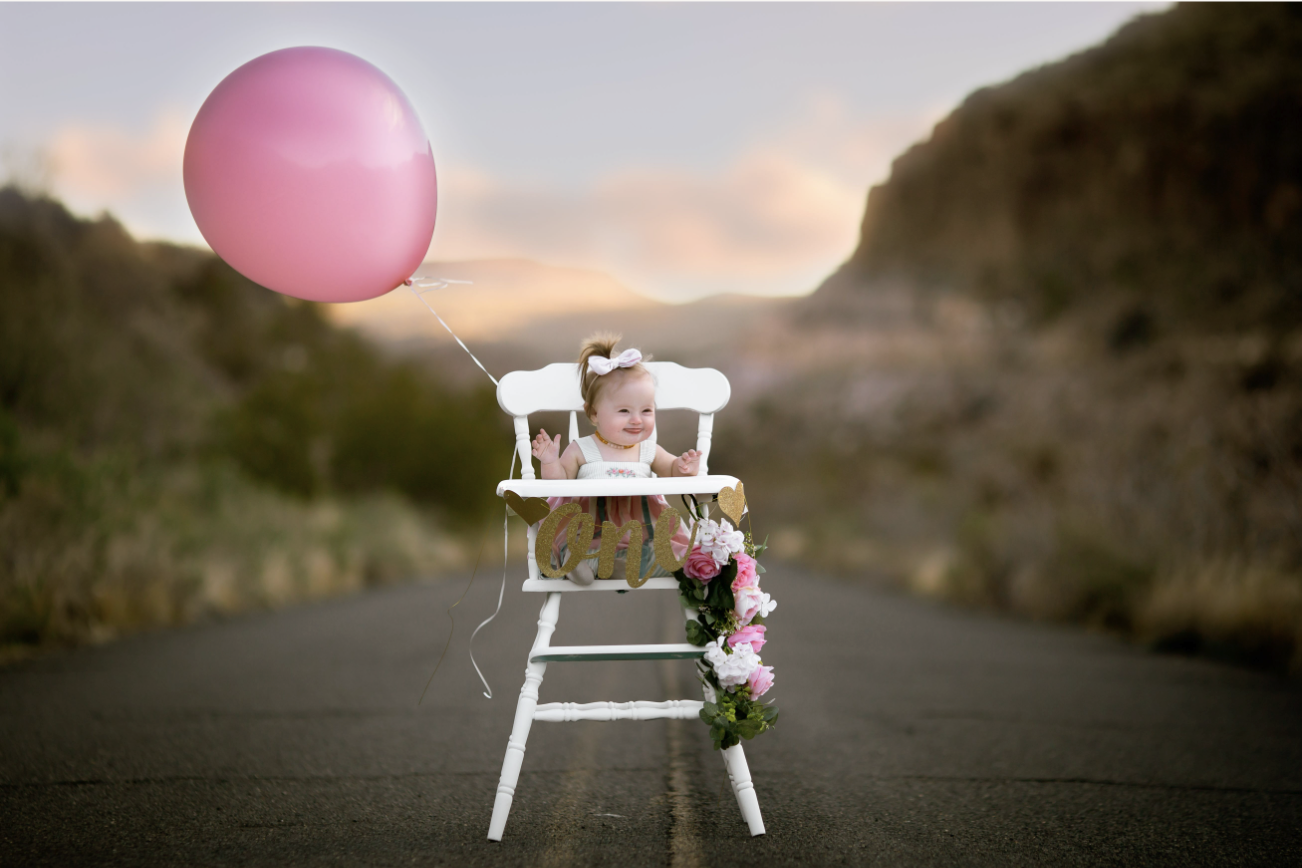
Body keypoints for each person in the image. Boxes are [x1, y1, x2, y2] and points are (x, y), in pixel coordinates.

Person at [531, 334, 699, 585]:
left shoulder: (648, 449)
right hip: (590, 530)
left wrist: (684, 468)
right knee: (583, 548)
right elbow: (559, 481)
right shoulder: (582, 449)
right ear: (594, 413)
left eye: (646, 410)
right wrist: (550, 462)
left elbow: (671, 471)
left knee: (665, 552)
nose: (636, 419)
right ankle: (579, 563)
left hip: (639, 532)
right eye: (624, 411)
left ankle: (625, 566)